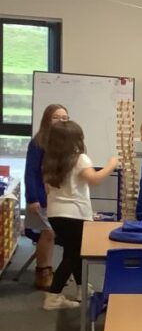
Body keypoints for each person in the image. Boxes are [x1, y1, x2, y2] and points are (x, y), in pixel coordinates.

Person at [42, 120, 118, 310]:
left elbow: (48, 188)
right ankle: (53, 296)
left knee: (73, 251)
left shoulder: (50, 161)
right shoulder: (80, 159)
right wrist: (111, 165)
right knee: (72, 254)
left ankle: (82, 289)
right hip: (75, 214)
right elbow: (94, 179)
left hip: (55, 213)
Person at [24, 103, 69, 289]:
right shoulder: (38, 142)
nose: (60, 121)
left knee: (51, 235)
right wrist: (32, 198)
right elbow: (31, 171)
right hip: (40, 197)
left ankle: (49, 271)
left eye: (64, 118)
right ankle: (42, 273)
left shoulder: (64, 142)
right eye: (56, 117)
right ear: (47, 119)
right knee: (47, 233)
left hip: (56, 197)